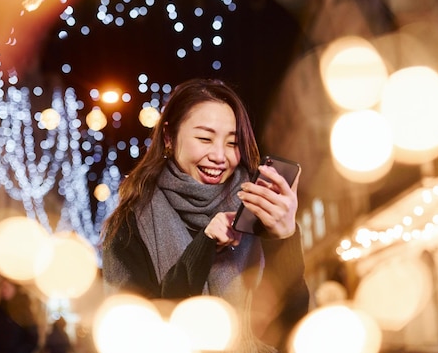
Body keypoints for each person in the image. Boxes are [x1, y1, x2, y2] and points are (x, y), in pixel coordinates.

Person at [101, 78, 309, 353]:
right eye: (204, 138)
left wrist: (284, 238)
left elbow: (291, 327)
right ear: (168, 137)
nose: (220, 156)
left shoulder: (259, 211)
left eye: (233, 142)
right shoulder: (130, 223)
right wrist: (204, 244)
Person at [0, 279, 39, 353]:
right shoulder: (0, 309)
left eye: (6, 287)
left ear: (15, 288)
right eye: (2, 287)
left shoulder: (23, 310)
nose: (4, 290)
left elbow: (32, 340)